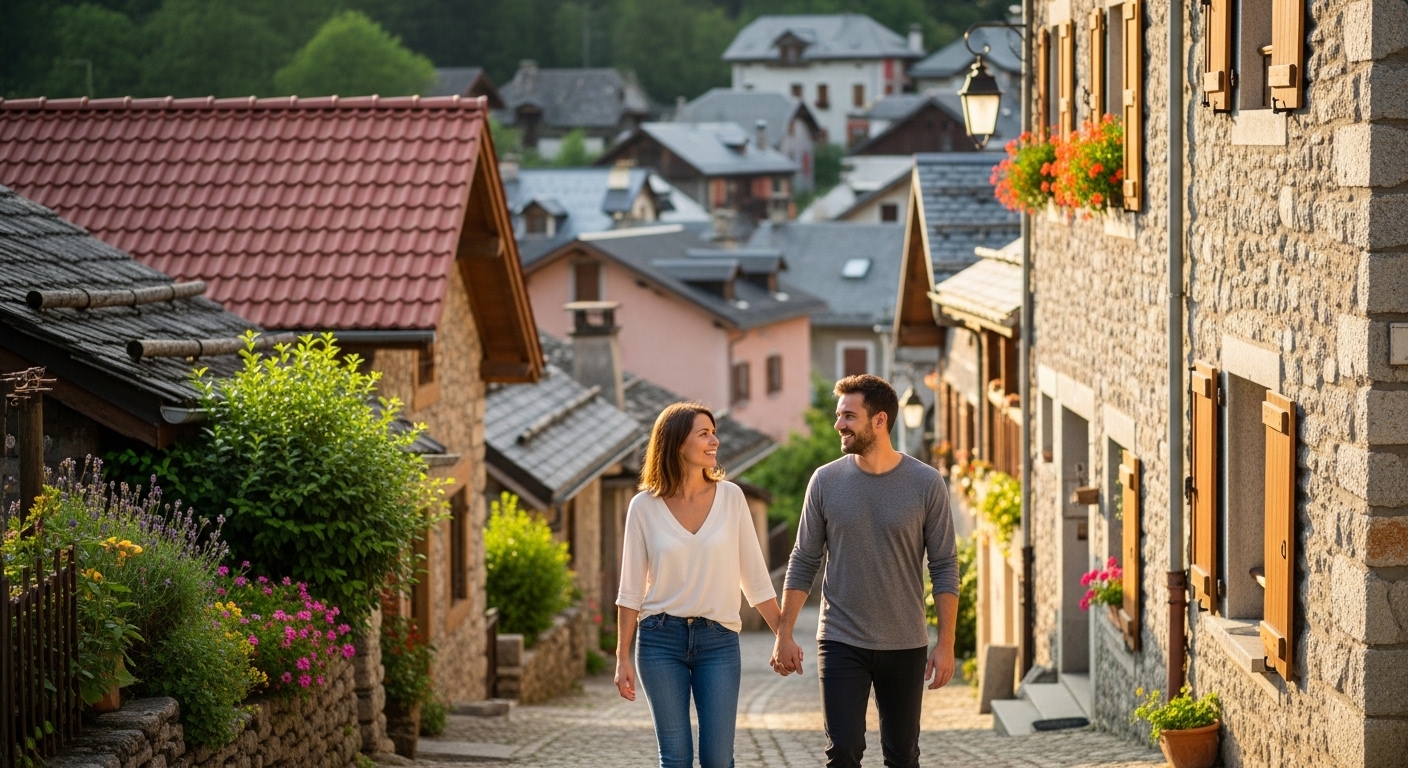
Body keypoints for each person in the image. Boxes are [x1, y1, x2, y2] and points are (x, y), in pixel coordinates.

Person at [771, 374, 959, 768]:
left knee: (903, 756)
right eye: (839, 415)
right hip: (840, 639)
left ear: (880, 421)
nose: (839, 424)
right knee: (843, 752)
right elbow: (804, 559)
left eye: (849, 416)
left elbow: (943, 565)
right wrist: (783, 633)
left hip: (905, 642)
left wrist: (945, 643)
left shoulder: (926, 484)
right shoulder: (825, 481)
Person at [615, 402, 783, 768]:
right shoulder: (643, 507)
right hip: (659, 639)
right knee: (675, 758)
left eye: (713, 432)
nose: (714, 441)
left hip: (718, 640)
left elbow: (754, 577)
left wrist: (782, 635)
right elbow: (630, 590)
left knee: (718, 759)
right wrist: (621, 658)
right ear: (677, 443)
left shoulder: (732, 498)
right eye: (703, 433)